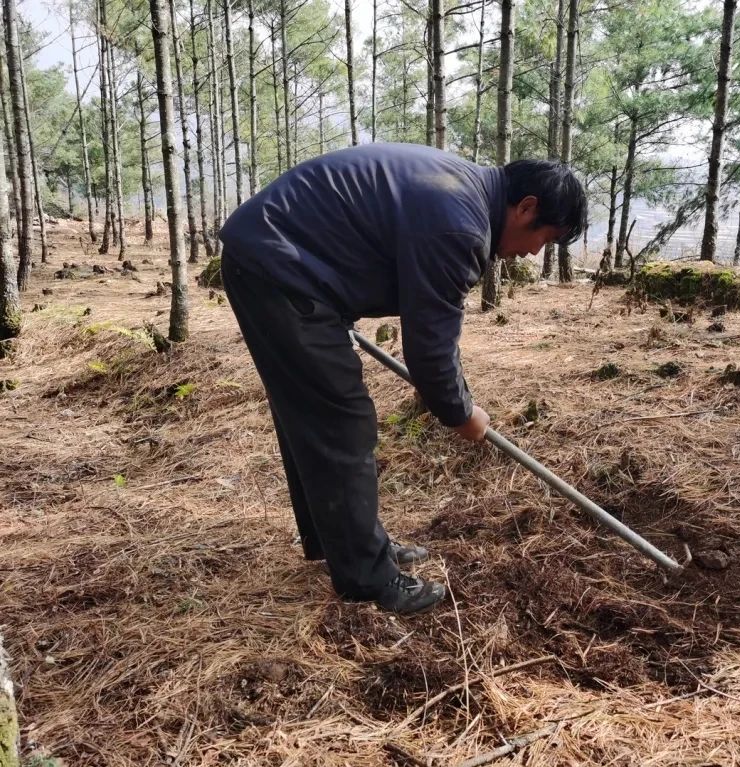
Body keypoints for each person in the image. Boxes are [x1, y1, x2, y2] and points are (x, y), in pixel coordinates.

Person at [219, 143, 588, 615]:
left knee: (313, 416)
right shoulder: (460, 222)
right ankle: (369, 580)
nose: (534, 252)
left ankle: (343, 544)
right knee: (341, 421)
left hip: (277, 263)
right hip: (279, 271)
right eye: (544, 238)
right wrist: (462, 413)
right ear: (527, 208)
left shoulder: (460, 192)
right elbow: (430, 351)